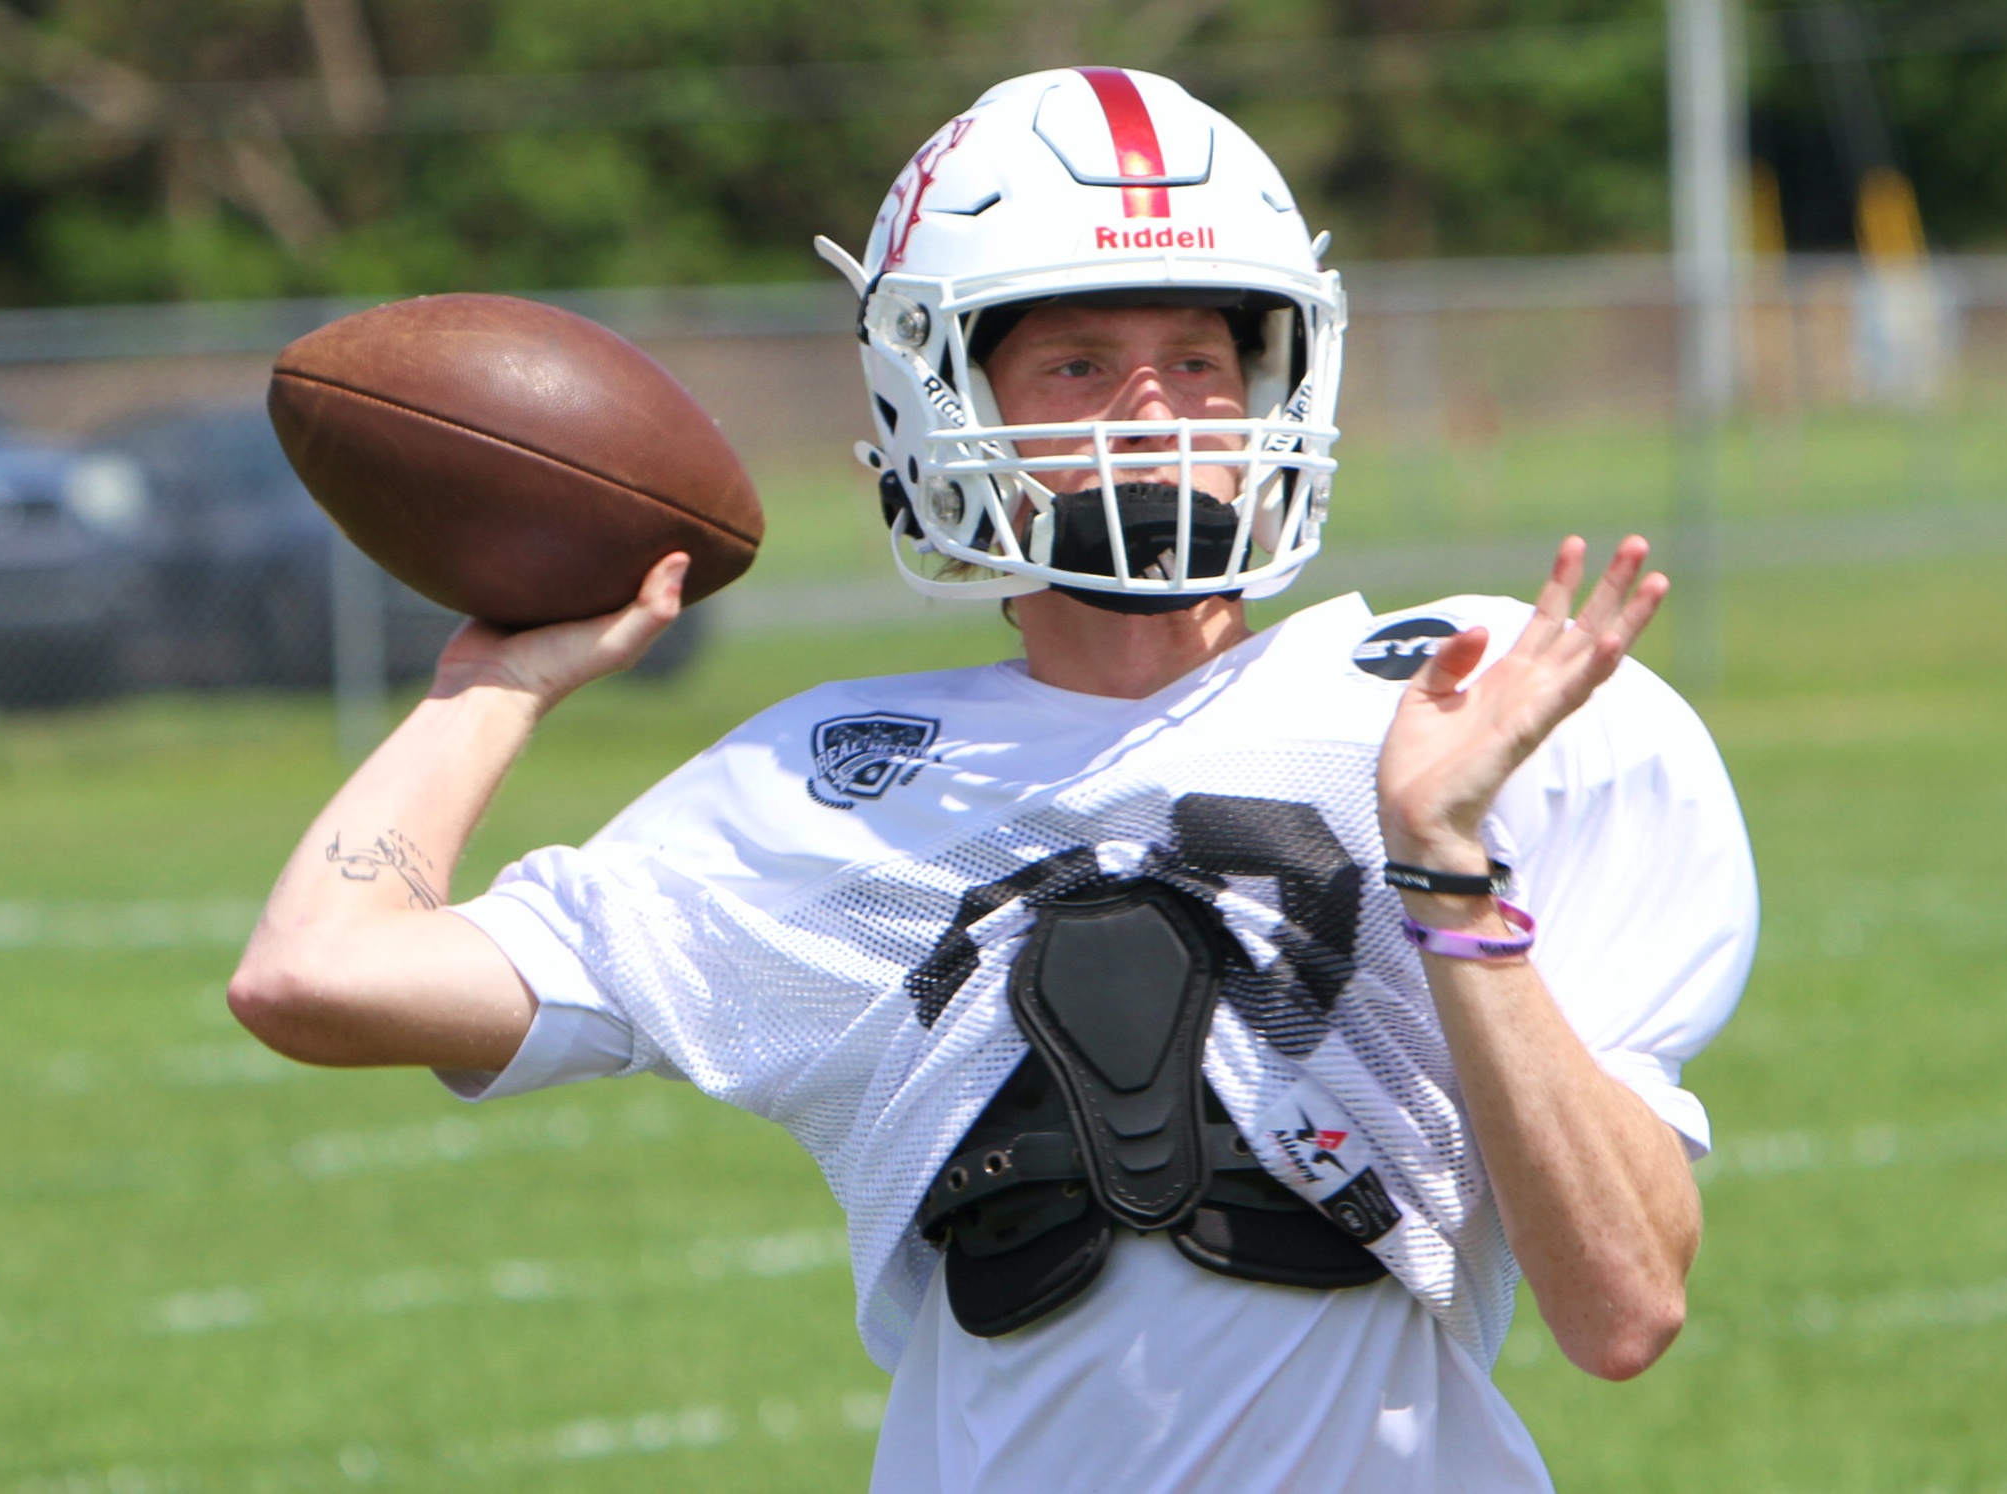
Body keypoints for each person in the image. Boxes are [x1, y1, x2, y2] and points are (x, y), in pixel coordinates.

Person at [229, 67, 1756, 1493]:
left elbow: (1621, 1305)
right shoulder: (825, 782)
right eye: (1079, 361)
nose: (1153, 407)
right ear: (940, 394)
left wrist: (1440, 857)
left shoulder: (1473, 700)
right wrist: (492, 683)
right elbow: (315, 971)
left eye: (1196, 358)